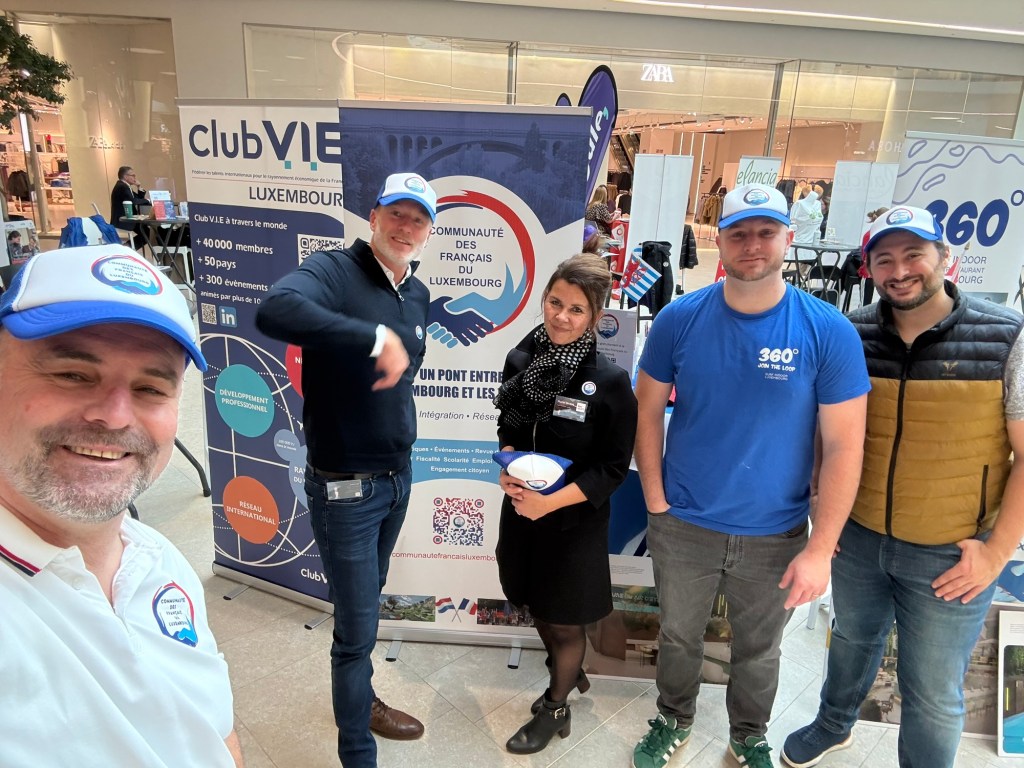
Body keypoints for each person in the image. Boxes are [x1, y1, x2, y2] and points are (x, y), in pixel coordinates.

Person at [631, 184, 870, 768]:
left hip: (776, 533)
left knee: (760, 650)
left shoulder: (828, 330)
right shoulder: (678, 319)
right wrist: (656, 500)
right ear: (719, 241)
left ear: (788, 238)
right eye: (739, 233)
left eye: (767, 232)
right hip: (684, 523)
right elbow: (647, 413)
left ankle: (748, 733)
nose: (753, 244)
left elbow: (845, 445)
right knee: (679, 635)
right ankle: (673, 718)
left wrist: (821, 548)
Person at [782, 206, 1024, 768]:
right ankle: (833, 725)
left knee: (933, 691)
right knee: (850, 642)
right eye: (884, 259)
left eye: (914, 254)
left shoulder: (1005, 336)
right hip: (859, 537)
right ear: (868, 268)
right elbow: (826, 434)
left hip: (950, 552)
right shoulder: (851, 333)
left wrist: (996, 553)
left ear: (945, 258)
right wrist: (823, 513)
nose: (900, 270)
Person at [0, 244, 242, 767]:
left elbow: (213, 733)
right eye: (72, 374)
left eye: (150, 387)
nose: (114, 416)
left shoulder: (156, 559)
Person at [255, 172, 435, 768]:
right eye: (397, 214)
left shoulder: (417, 293)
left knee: (368, 608)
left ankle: (363, 701)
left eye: (418, 219)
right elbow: (275, 309)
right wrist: (371, 336)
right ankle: (357, 751)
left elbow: (398, 380)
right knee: (355, 633)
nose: (406, 227)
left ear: (428, 231)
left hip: (397, 479)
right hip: (346, 489)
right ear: (374, 215)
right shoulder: (335, 270)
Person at [493, 253, 638, 755]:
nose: (561, 316)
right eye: (555, 302)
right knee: (530, 597)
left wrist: (550, 504)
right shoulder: (521, 358)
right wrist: (508, 465)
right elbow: (508, 425)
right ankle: (566, 671)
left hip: (574, 521)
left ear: (596, 316)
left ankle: (556, 708)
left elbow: (613, 468)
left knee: (563, 618)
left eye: (577, 309)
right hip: (522, 511)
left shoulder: (610, 382)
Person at [109, 166, 149, 251]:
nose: (135, 178)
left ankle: (127, 247)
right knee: (147, 233)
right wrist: (148, 200)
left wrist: (139, 187)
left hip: (128, 218)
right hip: (123, 220)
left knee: (147, 232)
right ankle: (126, 249)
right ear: (125, 176)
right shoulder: (122, 187)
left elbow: (137, 198)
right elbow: (133, 201)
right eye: (133, 175)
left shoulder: (124, 186)